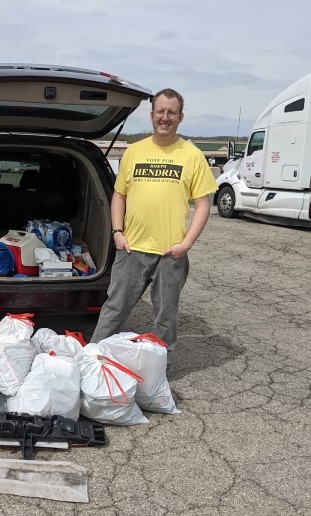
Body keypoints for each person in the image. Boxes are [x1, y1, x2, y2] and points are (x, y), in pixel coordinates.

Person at [90, 88, 218, 370]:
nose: (165, 117)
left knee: (165, 318)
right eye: (160, 111)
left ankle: (157, 376)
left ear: (180, 117)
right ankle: (91, 363)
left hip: (170, 254)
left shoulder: (192, 156)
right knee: (114, 310)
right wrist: (117, 233)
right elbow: (119, 195)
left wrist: (186, 245)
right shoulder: (134, 152)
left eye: (171, 112)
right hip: (132, 248)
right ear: (151, 115)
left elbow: (203, 205)